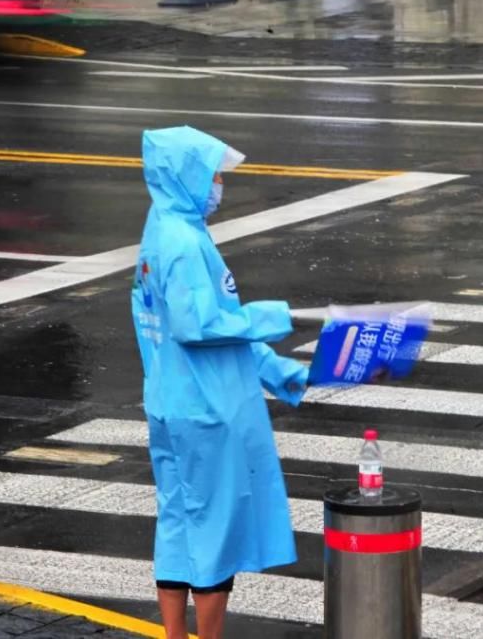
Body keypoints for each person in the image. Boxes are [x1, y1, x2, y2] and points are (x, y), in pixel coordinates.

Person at [131, 126, 309, 639]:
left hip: (169, 402)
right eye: (210, 173)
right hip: (206, 410)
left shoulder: (162, 225)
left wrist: (282, 373)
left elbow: (192, 321)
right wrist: (276, 316)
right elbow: (203, 326)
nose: (216, 184)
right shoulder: (185, 244)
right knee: (214, 533)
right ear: (186, 174)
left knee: (179, 525)